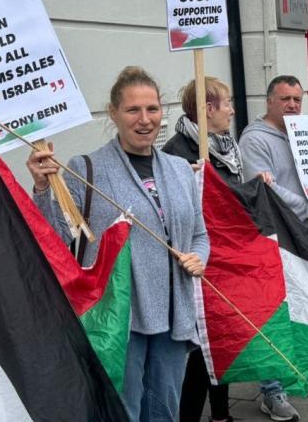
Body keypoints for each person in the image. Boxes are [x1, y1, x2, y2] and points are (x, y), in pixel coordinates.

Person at [27, 66, 209, 422]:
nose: (145, 119)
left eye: (152, 109)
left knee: (165, 412)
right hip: (118, 319)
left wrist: (198, 257)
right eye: (133, 110)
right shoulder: (86, 169)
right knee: (122, 413)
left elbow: (199, 235)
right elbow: (56, 240)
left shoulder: (179, 169)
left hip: (174, 316)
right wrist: (44, 188)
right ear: (113, 113)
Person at [239, 75, 308, 421]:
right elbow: (265, 192)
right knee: (278, 314)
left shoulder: (307, 133)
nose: (292, 105)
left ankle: (299, 374)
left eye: (297, 99)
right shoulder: (254, 140)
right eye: (285, 98)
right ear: (269, 101)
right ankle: (272, 391)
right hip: (279, 239)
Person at [163, 76, 269, 422]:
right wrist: (189, 178)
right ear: (208, 109)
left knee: (221, 343)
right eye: (227, 103)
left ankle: (221, 416)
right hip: (195, 268)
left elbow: (229, 201)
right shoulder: (177, 152)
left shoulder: (226, 147)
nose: (232, 110)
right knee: (199, 353)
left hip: (223, 265)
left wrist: (254, 186)